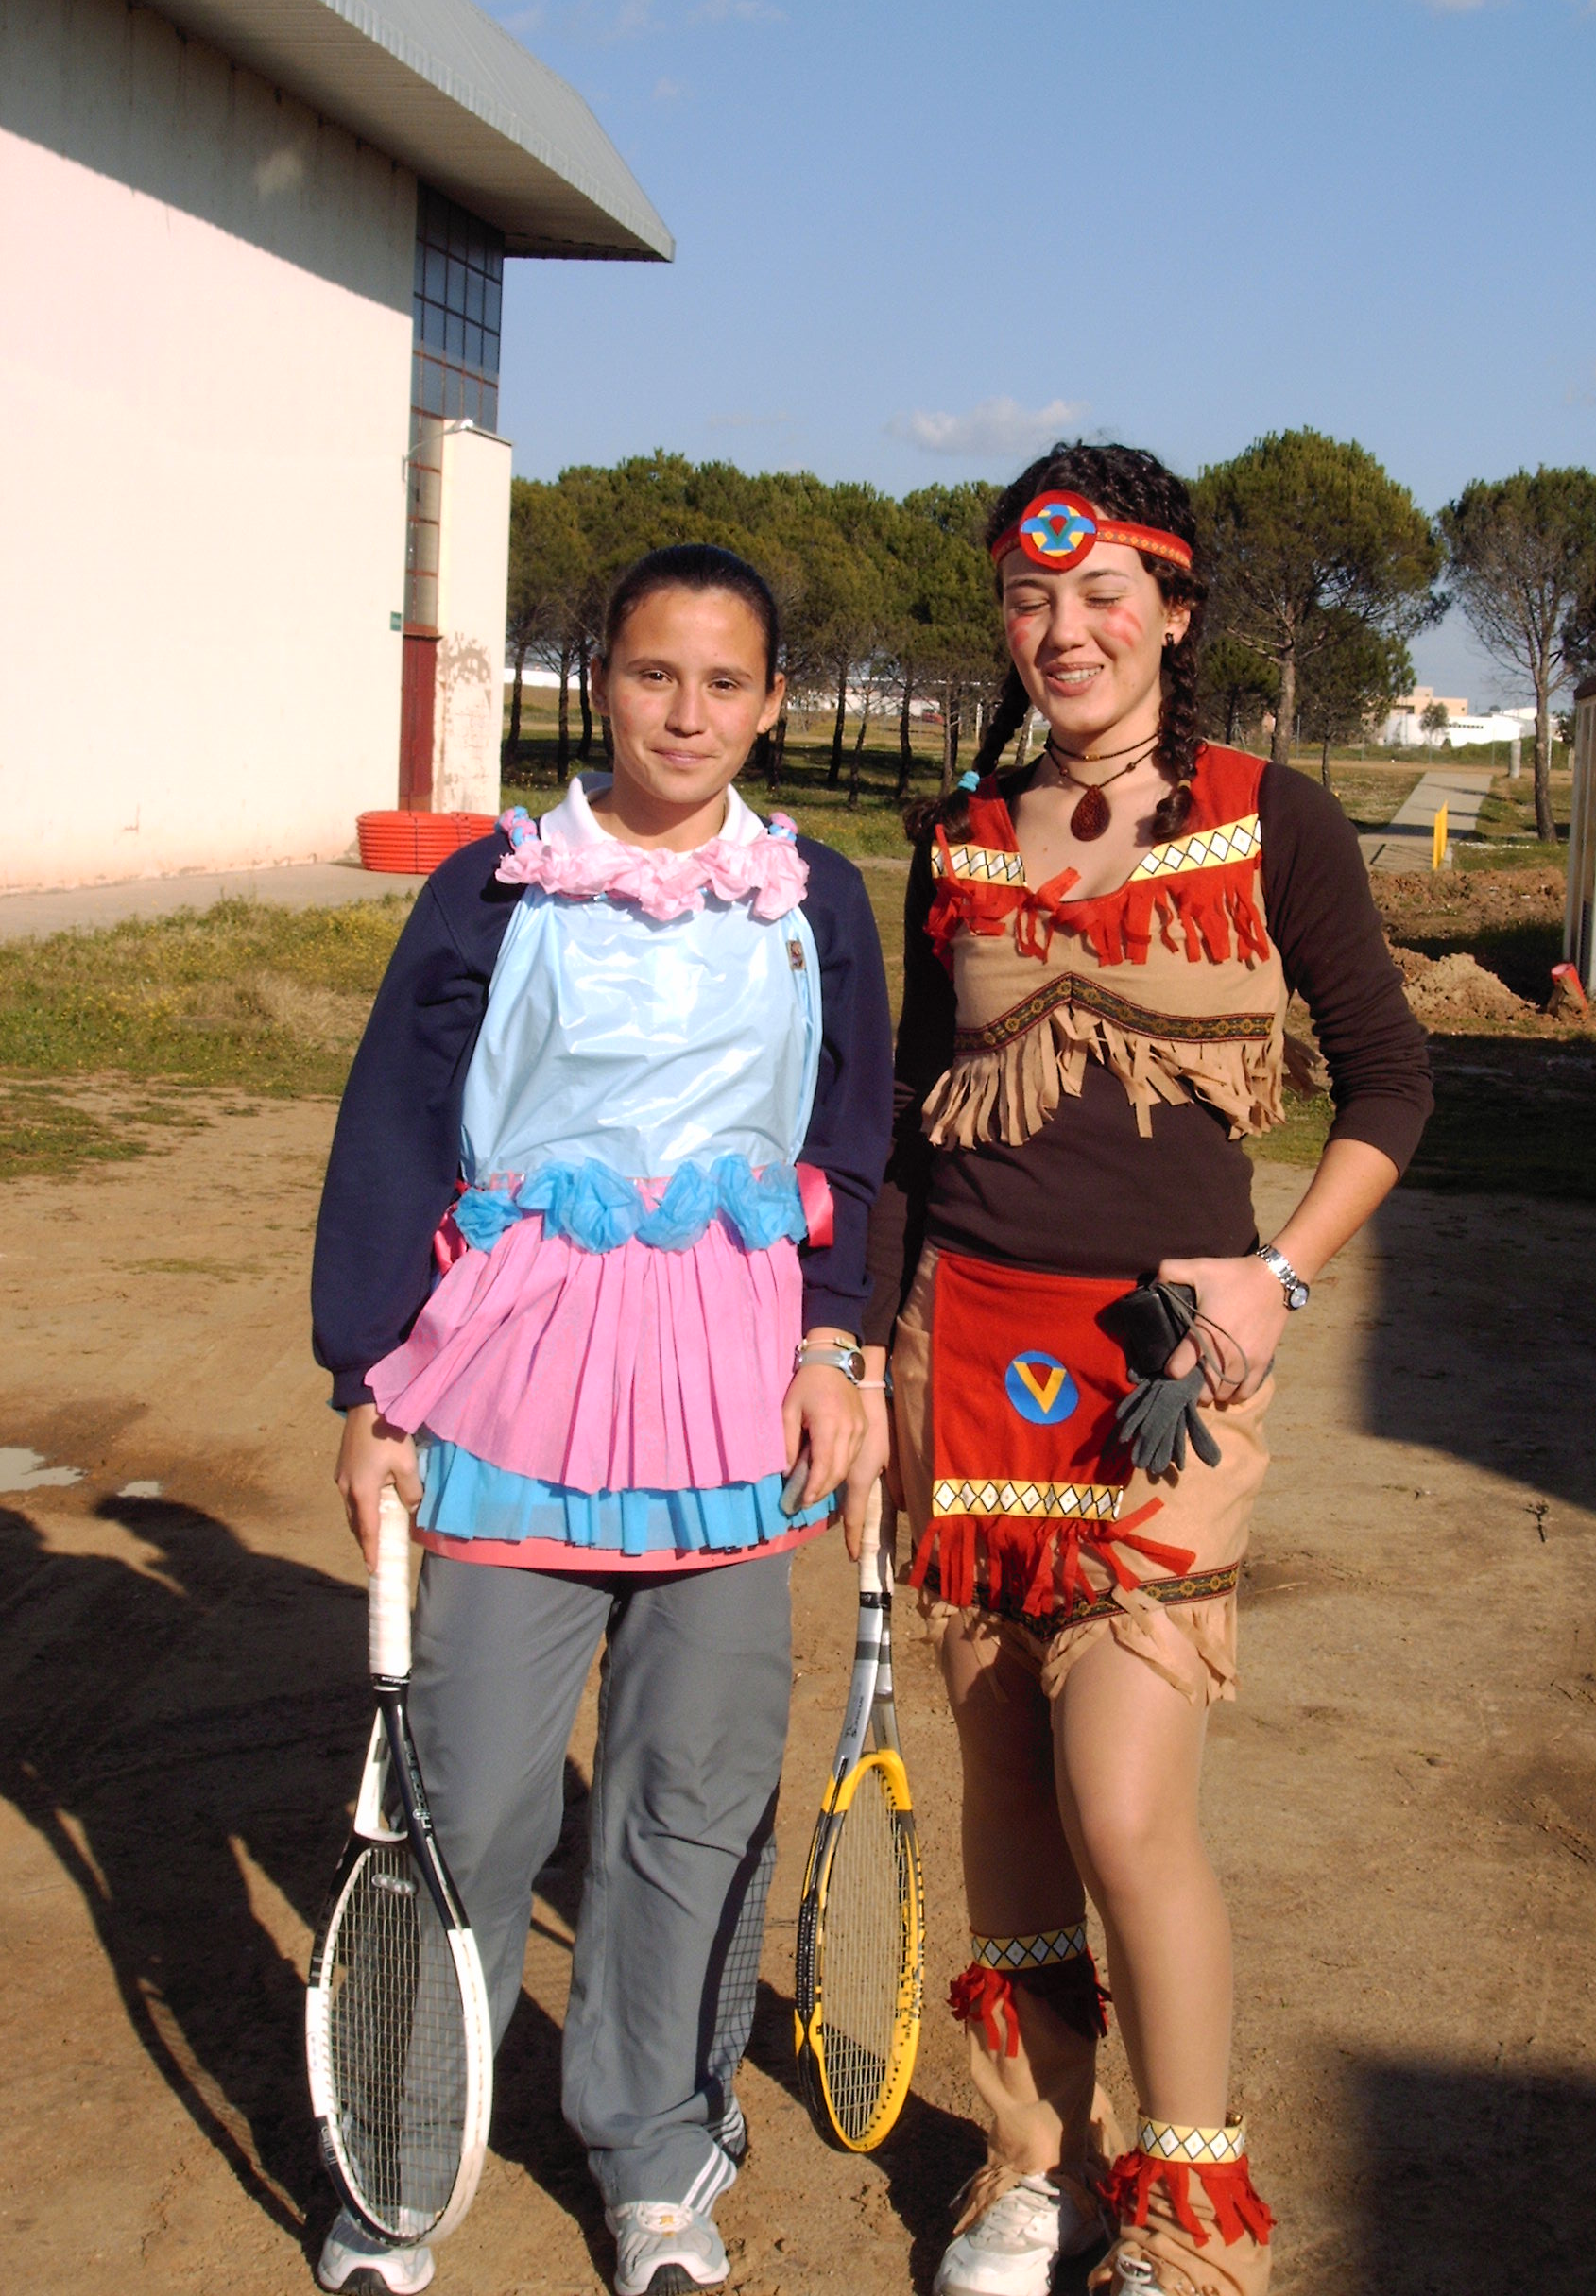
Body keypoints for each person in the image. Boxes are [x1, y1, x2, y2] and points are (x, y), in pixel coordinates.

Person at [864, 445, 1433, 2296]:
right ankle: (1037, 2163)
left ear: (1175, 611)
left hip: (1167, 1370)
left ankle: (1194, 2220)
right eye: (1032, 597)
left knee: (1122, 1796)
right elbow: (905, 1123)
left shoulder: (1274, 820)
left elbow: (1395, 1083)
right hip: (967, 1354)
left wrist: (1280, 1273)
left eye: (1104, 592)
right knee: (1008, 1781)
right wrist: (859, 1353)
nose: (1067, 629)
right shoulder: (960, 829)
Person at [310, 544, 894, 2296]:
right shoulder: (496, 886)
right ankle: (406, 2153)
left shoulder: (816, 898)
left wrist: (838, 1346)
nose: (686, 715)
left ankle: (657, 2155)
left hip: (732, 1405)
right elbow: (397, 1125)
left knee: (691, 1799)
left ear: (772, 703)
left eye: (724, 684)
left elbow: (853, 1144)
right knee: (471, 1798)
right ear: (599, 682)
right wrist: (368, 1386)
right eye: (653, 675)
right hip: (514, 1391)